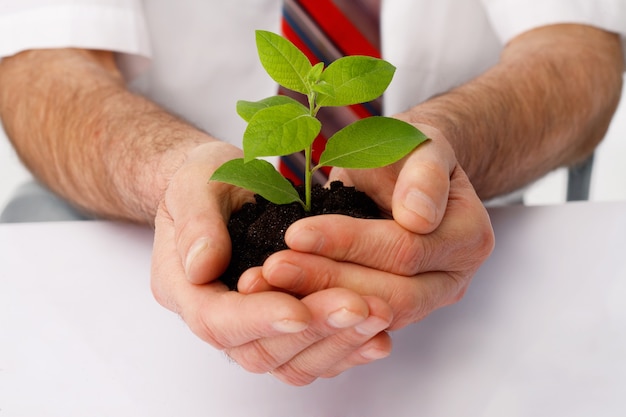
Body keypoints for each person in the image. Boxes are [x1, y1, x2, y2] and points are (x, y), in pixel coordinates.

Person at [0, 1, 623, 386]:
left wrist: (444, 141)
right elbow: (39, 68)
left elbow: (580, 50)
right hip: (142, 242)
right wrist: (173, 170)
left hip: (458, 238)